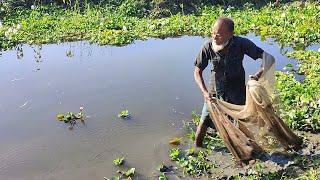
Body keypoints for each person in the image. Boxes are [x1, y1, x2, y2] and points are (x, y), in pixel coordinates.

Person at [194, 17, 271, 147]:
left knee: (241, 123)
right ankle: (197, 148)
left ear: (230, 34)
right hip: (214, 94)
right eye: (212, 33)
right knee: (204, 122)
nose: (214, 37)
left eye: (218, 35)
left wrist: (257, 75)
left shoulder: (241, 43)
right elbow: (197, 72)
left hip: (237, 93)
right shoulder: (208, 46)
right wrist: (205, 92)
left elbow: (268, 58)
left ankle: (247, 149)